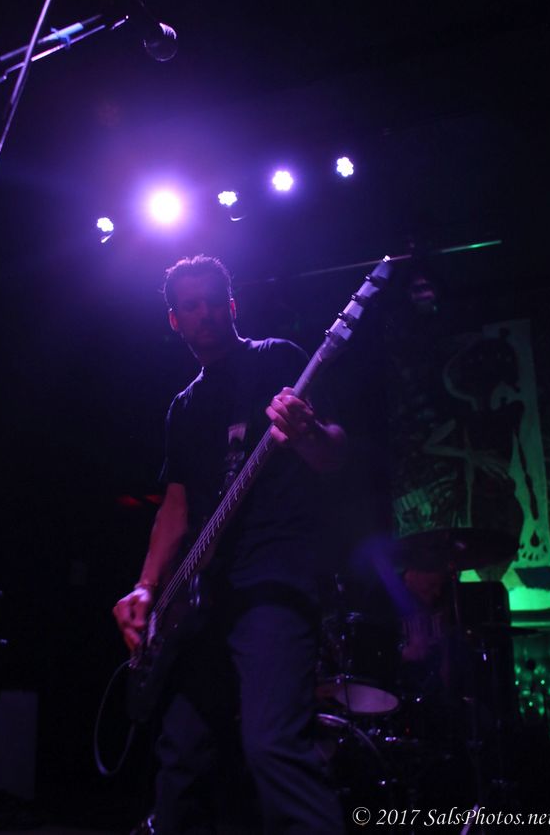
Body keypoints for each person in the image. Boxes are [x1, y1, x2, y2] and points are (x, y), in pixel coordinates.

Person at [113, 255, 347, 834]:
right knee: (181, 758)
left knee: (272, 746)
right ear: (175, 321)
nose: (206, 313)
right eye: (191, 306)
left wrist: (305, 431)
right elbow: (175, 506)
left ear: (233, 306)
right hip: (202, 602)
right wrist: (145, 587)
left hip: (273, 582)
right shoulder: (184, 407)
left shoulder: (277, 359)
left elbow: (332, 454)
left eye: (215, 301)